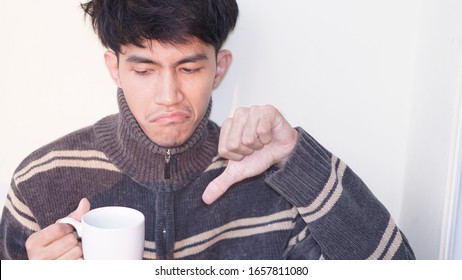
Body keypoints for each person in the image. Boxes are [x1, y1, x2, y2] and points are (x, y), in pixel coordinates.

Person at [0, 0, 414, 260]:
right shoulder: (41, 180)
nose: (168, 96)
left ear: (220, 69)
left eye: (189, 68)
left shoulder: (274, 177)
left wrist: (299, 161)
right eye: (144, 69)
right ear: (115, 69)